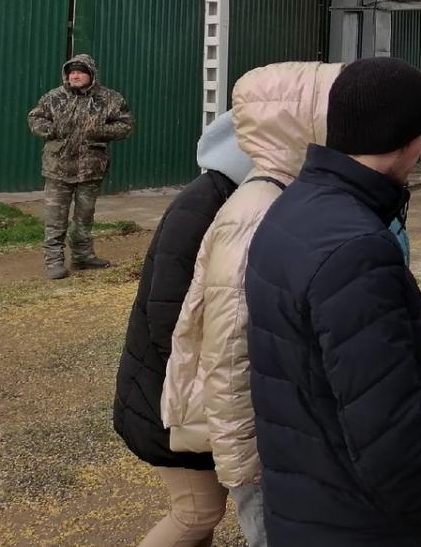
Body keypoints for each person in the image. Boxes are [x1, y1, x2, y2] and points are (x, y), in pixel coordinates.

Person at [245, 58, 421, 547]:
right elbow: (391, 437)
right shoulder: (357, 250)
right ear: (409, 139)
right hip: (361, 521)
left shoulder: (292, 207)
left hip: (306, 497)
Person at [162, 61, 343, 547]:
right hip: (260, 446)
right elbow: (225, 350)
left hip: (279, 430)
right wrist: (243, 465)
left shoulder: (286, 198)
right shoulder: (254, 211)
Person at [114, 111, 253, 547]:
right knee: (197, 511)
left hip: (180, 395)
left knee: (201, 512)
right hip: (168, 396)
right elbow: (170, 316)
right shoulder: (207, 204)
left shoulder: (225, 196)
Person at [27, 53, 133, 279]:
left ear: (91, 75)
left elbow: (125, 124)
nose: (74, 76)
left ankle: (82, 257)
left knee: (84, 217)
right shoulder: (54, 97)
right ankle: (54, 261)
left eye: (80, 72)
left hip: (90, 168)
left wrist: (100, 132)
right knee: (55, 218)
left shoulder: (109, 99)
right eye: (71, 72)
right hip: (57, 168)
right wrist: (50, 130)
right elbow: (35, 118)